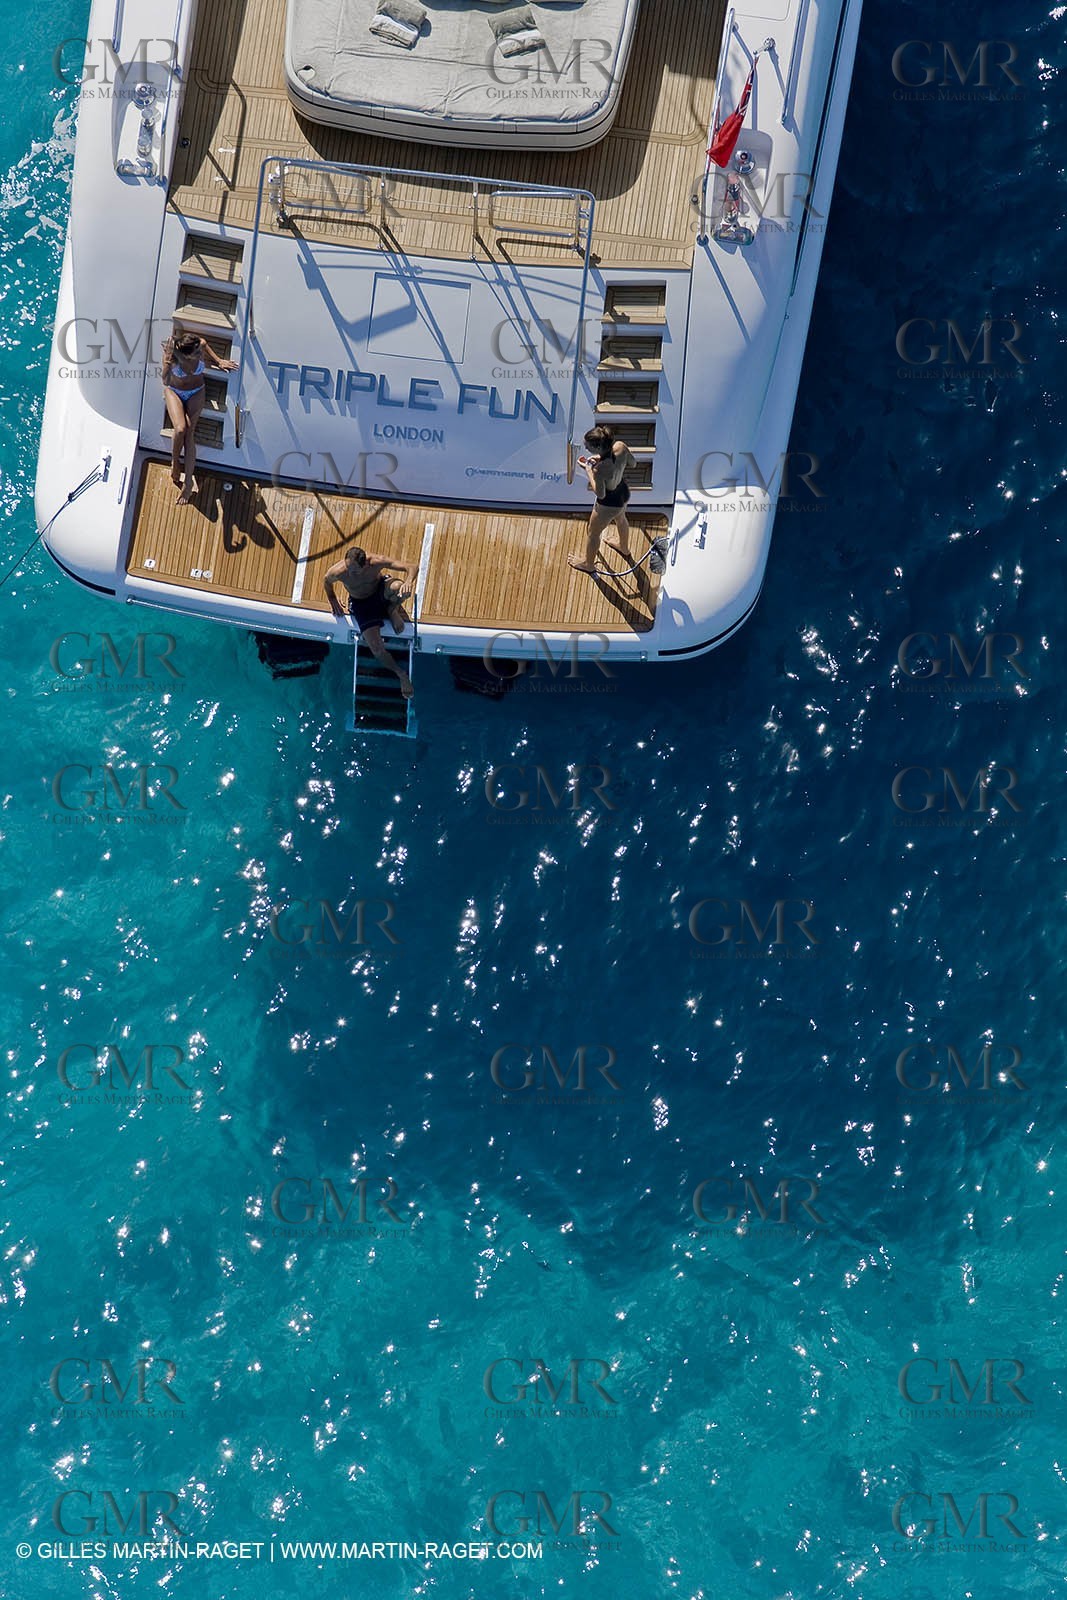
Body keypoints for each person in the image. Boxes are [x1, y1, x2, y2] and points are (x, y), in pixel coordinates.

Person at [324, 546, 417, 699]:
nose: (350, 572)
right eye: (348, 567)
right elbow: (327, 581)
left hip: (380, 591)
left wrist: (408, 581)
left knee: (399, 587)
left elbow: (412, 566)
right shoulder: (339, 571)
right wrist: (332, 599)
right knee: (377, 650)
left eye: (354, 570)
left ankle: (392, 611)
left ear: (366, 565)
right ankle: (401, 674)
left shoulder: (376, 562)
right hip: (361, 605)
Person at [161, 330, 237, 504]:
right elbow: (165, 381)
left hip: (196, 391)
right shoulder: (173, 357)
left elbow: (204, 343)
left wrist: (219, 361)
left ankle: (188, 483)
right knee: (180, 429)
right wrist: (166, 360)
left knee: (189, 432)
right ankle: (175, 462)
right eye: (196, 354)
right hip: (175, 391)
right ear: (186, 356)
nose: (200, 354)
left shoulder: (199, 345)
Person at [568, 424, 637, 574]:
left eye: (588, 447)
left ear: (598, 447)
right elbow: (633, 463)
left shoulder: (599, 470)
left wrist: (589, 470)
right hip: (622, 493)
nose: (586, 449)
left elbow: (600, 494)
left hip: (608, 504)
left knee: (593, 534)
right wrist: (600, 458)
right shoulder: (621, 446)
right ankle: (624, 548)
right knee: (621, 518)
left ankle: (588, 564)